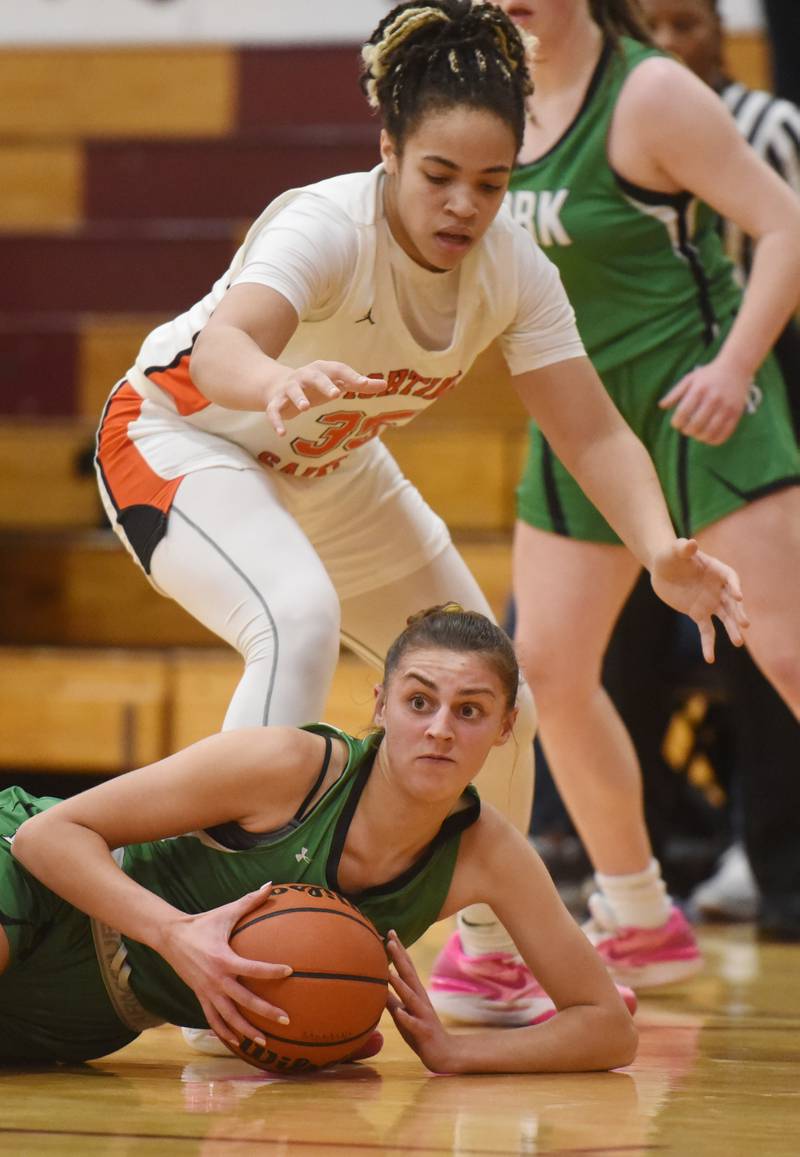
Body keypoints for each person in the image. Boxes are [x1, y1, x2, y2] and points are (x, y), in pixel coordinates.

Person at [95, 0, 746, 1029]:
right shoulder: (322, 222)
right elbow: (220, 350)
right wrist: (270, 380)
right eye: (437, 175)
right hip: (184, 438)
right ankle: (206, 940)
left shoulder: (511, 272)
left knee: (500, 680)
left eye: (489, 184)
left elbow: (593, 433)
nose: (462, 206)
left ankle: (485, 962)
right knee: (296, 616)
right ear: (388, 148)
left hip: (329, 463)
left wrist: (660, 546)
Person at [0, 607, 638, 1074]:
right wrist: (176, 934)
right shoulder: (287, 765)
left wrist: (461, 1051)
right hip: (53, 890)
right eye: (420, 702)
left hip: (98, 1016)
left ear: (504, 728)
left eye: (469, 710)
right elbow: (45, 836)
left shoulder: (488, 854)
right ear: (381, 704)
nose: (440, 729)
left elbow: (608, 1028)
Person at [494, 0, 800, 973]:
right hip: (577, 419)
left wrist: (735, 363)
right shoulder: (486, 98)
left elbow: (783, 222)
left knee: (789, 655)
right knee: (547, 666)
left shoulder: (648, 92)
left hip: (695, 404)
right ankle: (634, 910)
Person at [634, 0, 800, 924]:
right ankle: (640, 869)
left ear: (725, 33)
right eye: (649, 25)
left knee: (767, 640)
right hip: (648, 409)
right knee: (580, 653)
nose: (668, 43)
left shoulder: (774, 130)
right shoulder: (599, 122)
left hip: (761, 388)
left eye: (686, 23)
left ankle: (774, 858)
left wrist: (742, 366)